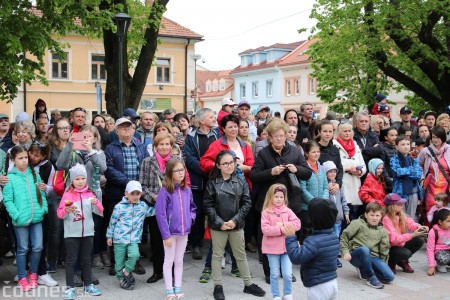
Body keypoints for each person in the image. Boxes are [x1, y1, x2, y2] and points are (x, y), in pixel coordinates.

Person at [204, 150, 266, 300]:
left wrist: (235, 220)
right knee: (217, 255)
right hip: (218, 225)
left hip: (236, 224)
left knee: (241, 255)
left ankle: (248, 284)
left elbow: (246, 203)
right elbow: (208, 205)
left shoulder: (240, 180)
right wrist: (220, 223)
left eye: (231, 162)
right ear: (218, 165)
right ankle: (217, 286)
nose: (229, 166)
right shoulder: (212, 183)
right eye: (225, 163)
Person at [104, 118, 148, 276]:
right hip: (117, 194)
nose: (126, 130)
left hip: (137, 195)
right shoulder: (110, 148)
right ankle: (116, 263)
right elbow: (108, 170)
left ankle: (134, 262)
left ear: (134, 129)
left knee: (136, 228)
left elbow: (147, 166)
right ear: (116, 131)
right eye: (122, 128)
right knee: (117, 229)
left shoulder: (141, 147)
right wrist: (129, 183)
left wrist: (137, 187)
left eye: (129, 127)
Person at [3, 145, 48, 291]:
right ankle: (22, 277)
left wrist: (43, 209)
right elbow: (8, 200)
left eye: (25, 158)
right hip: (20, 220)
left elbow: (41, 193)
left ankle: (33, 273)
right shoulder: (10, 178)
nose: (24, 161)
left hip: (36, 218)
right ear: (13, 160)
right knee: (22, 249)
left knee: (38, 247)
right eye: (20, 158)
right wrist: (16, 215)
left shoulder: (34, 174)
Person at [57, 164, 103, 299]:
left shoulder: (90, 193)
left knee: (86, 260)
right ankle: (70, 287)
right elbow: (60, 214)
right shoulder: (67, 194)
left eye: (83, 178)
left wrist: (96, 203)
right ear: (72, 180)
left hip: (88, 233)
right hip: (71, 234)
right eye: (77, 179)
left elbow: (100, 211)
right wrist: (66, 210)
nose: (81, 181)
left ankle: (88, 285)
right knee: (71, 260)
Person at [156, 159, 196, 299]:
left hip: (184, 232)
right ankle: (169, 290)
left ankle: (178, 288)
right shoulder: (165, 191)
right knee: (169, 261)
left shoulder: (187, 190)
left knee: (179, 260)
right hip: (170, 233)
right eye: (178, 170)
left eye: (183, 170)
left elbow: (193, 208)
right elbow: (160, 214)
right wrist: (165, 235)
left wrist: (190, 220)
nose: (181, 173)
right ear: (170, 173)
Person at [285, 198, 340, 300]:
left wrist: (291, 237)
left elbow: (296, 257)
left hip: (318, 286)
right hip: (332, 282)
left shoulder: (314, 241)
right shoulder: (333, 236)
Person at [185, 108, 220, 261]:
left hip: (216, 181)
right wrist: (206, 171)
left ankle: (217, 244)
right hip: (198, 181)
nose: (214, 119)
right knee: (198, 214)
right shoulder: (191, 137)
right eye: (211, 117)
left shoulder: (217, 135)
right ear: (201, 121)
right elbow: (190, 159)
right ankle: (196, 244)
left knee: (216, 212)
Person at [106, 181, 154, 290]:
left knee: (135, 255)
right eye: (132, 193)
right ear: (126, 193)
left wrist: (165, 207)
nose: (135, 196)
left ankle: (126, 271)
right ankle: (121, 279)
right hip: (119, 239)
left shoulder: (143, 206)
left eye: (138, 194)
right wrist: (109, 236)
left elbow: (153, 212)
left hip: (134, 239)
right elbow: (112, 222)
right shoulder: (119, 207)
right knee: (119, 263)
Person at [140, 132, 174, 284]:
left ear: (171, 147)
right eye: (161, 144)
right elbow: (142, 185)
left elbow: (182, 183)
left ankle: (172, 270)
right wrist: (153, 197)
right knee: (156, 241)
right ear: (155, 147)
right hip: (155, 207)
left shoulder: (176, 161)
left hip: (173, 208)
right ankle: (157, 271)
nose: (164, 147)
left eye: (167, 144)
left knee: (172, 240)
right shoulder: (147, 162)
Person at [340, 202, 394, 289]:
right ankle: (370, 278)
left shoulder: (382, 231)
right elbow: (344, 237)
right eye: (372, 215)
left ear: (381, 216)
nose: (375, 218)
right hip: (357, 255)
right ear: (366, 214)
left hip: (373, 257)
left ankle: (364, 271)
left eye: (377, 215)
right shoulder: (357, 223)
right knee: (365, 249)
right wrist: (345, 252)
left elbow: (384, 249)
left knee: (389, 277)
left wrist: (382, 264)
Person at [261, 184, 300, 300]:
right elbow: (266, 229)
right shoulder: (266, 212)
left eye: (281, 197)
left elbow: (297, 223)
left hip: (287, 248)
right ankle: (276, 295)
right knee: (274, 274)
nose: (278, 199)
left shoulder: (288, 211)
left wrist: (283, 225)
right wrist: (282, 230)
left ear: (285, 198)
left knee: (288, 274)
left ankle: (287, 294)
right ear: (270, 197)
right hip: (272, 249)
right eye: (276, 196)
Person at [28, 143, 58, 287]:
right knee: (25, 244)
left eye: (36, 155)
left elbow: (53, 187)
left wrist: (46, 188)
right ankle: (28, 271)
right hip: (24, 208)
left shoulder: (48, 167)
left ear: (43, 156)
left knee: (40, 242)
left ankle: (41, 271)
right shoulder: (23, 163)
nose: (32, 157)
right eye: (31, 154)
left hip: (40, 207)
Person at [200, 114, 254, 189]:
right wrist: (220, 166)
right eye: (230, 127)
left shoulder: (245, 145)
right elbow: (204, 162)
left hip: (242, 184)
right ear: (223, 129)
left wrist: (245, 168)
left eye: (235, 126)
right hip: (222, 186)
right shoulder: (216, 145)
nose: (234, 129)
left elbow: (251, 165)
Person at [382, 193, 428, 274]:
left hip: (400, 243)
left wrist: (419, 227)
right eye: (399, 204)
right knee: (406, 253)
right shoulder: (386, 218)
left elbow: (411, 223)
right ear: (392, 206)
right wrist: (412, 235)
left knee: (419, 240)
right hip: (389, 247)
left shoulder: (400, 214)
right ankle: (392, 261)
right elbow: (393, 240)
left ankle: (402, 260)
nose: (402, 205)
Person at [334, 123, 366, 220]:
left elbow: (363, 164)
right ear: (339, 132)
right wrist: (347, 168)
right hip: (343, 180)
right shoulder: (334, 145)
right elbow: (334, 164)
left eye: (349, 131)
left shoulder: (355, 145)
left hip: (355, 181)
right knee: (345, 212)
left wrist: (360, 171)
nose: (347, 133)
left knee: (354, 212)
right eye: (345, 131)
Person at [322, 161, 349, 268]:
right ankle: (329, 258)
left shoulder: (338, 186)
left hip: (338, 219)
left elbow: (343, 200)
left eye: (334, 172)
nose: (333, 174)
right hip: (328, 219)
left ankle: (334, 258)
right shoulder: (324, 186)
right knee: (328, 239)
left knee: (336, 239)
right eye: (330, 172)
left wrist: (346, 212)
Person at [300, 141, 329, 240]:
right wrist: (314, 202)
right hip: (307, 208)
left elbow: (325, 186)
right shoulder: (303, 168)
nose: (317, 154)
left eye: (318, 151)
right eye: (313, 152)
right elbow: (302, 189)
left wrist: (323, 201)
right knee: (307, 234)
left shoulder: (321, 168)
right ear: (307, 153)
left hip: (320, 207)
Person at [419, 126, 450, 214]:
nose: (435, 140)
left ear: (443, 137)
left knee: (445, 210)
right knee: (431, 208)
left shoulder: (449, 149)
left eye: (438, 137)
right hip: (431, 184)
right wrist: (422, 177)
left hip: (446, 185)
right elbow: (418, 165)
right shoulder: (425, 151)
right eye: (434, 137)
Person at [390, 135, 422, 220]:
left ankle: (410, 233)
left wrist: (406, 172)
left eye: (408, 144)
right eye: (403, 144)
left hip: (413, 191)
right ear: (397, 146)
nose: (406, 147)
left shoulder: (414, 160)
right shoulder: (394, 159)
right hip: (400, 193)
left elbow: (418, 174)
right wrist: (411, 170)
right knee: (400, 217)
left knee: (411, 217)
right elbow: (398, 172)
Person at [316, 120, 344, 195]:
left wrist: (338, 183)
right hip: (319, 187)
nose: (328, 134)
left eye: (330, 131)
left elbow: (339, 168)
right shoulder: (314, 148)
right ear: (319, 132)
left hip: (334, 187)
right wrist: (326, 184)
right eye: (325, 131)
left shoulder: (335, 149)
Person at [426, 209, 450, 275]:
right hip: (440, 253)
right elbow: (430, 250)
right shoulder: (433, 232)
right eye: (448, 221)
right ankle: (440, 264)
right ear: (440, 222)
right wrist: (432, 266)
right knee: (443, 258)